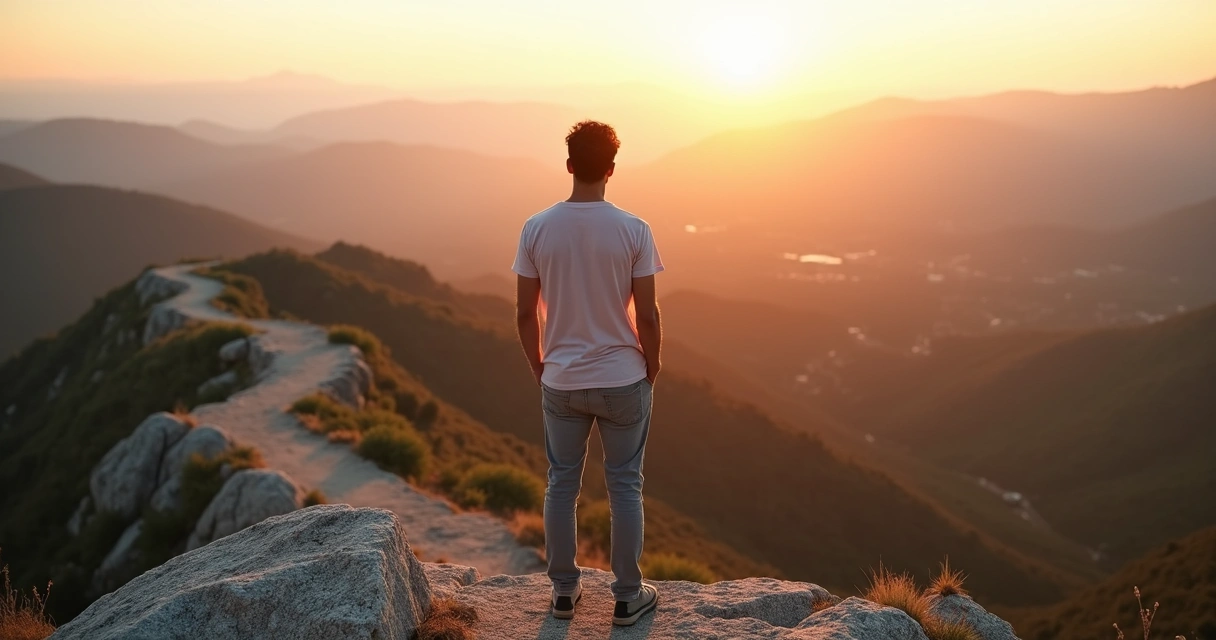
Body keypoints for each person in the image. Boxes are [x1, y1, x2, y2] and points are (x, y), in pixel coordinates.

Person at [512, 120, 664, 626]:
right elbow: (647, 315)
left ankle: (562, 593)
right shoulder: (634, 230)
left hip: (560, 379)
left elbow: (523, 313)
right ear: (612, 170)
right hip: (624, 377)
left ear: (570, 164)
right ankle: (626, 596)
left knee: (561, 483)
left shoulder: (536, 228)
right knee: (624, 485)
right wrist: (652, 364)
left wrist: (540, 365)